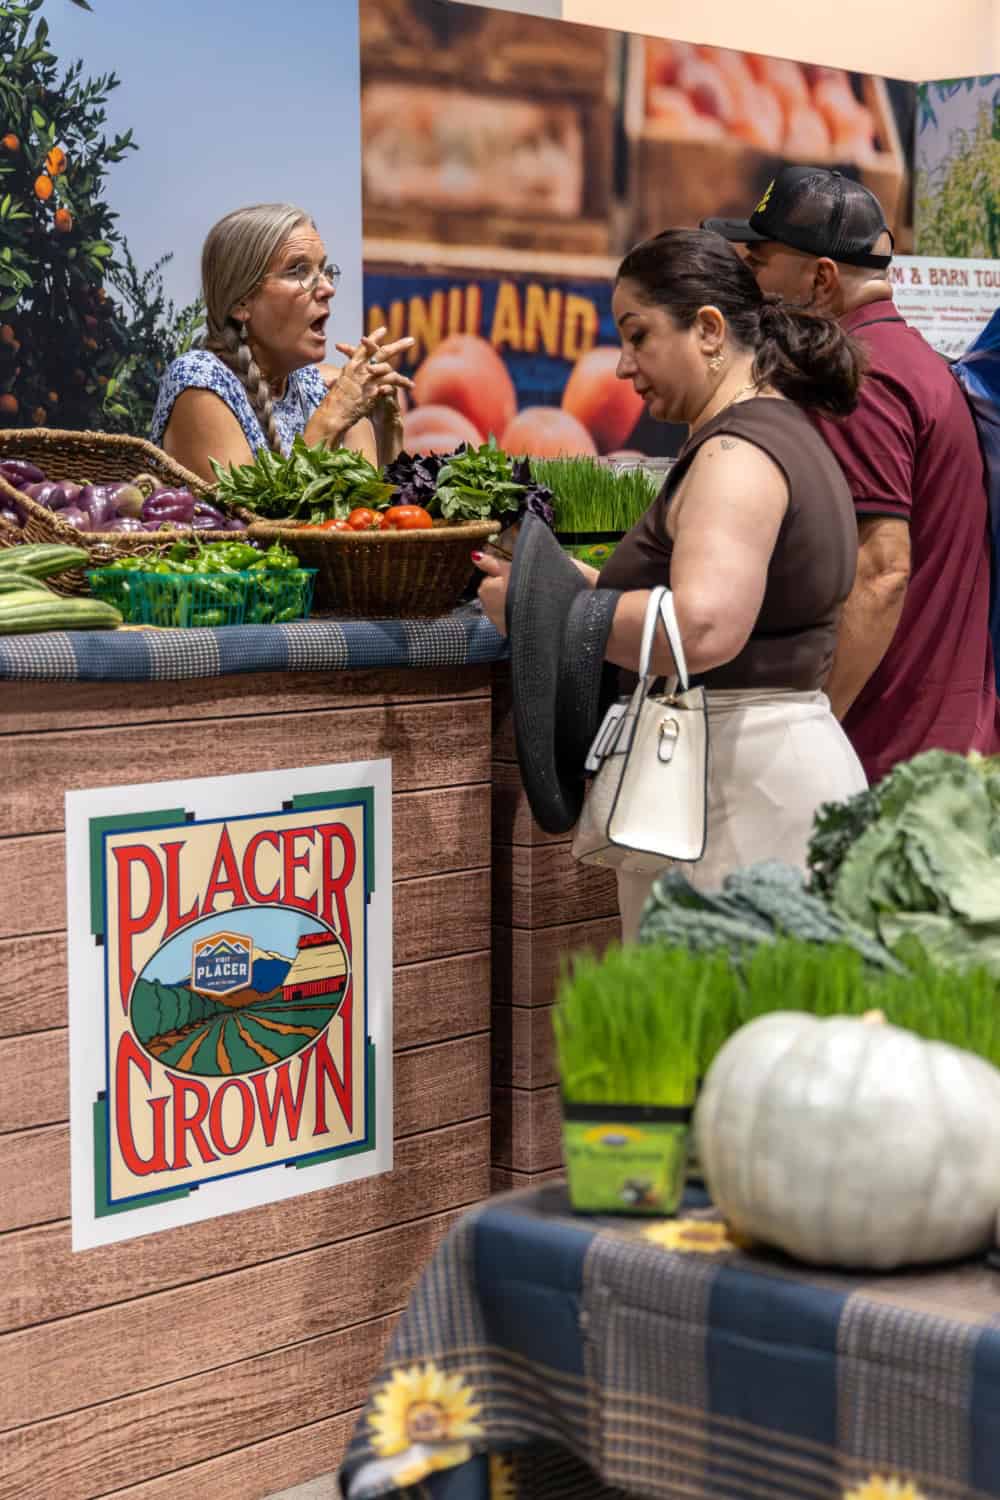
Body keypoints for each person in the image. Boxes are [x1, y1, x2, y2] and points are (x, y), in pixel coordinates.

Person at [475, 228, 868, 941]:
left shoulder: (735, 452)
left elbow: (703, 627)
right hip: (750, 781)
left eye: (640, 336)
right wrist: (566, 582)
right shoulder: (771, 432)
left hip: (739, 800)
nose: (623, 365)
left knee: (719, 1044)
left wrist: (543, 612)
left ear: (710, 329)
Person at [705, 166, 1000, 783]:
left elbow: (882, 571)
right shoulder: (909, 358)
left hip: (886, 753)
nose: (747, 282)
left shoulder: (859, 380)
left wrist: (815, 728)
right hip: (937, 742)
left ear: (821, 278)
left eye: (759, 264)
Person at [150, 203, 413, 485]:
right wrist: (330, 420)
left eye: (324, 270)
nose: (327, 288)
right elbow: (254, 521)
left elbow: (374, 518)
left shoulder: (317, 388)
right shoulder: (200, 381)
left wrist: (388, 430)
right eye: (298, 271)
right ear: (241, 302)